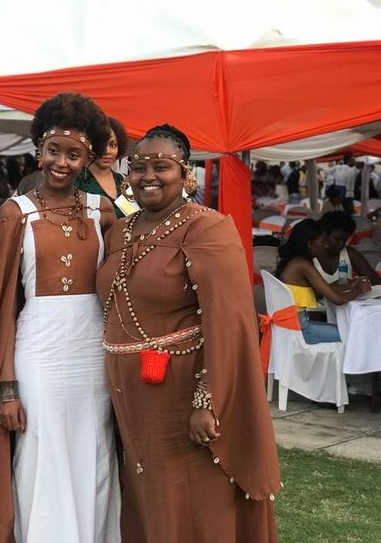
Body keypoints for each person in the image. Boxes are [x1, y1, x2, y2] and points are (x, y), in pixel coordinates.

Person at [96, 124, 281, 542]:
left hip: (182, 394)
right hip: (131, 395)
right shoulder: (120, 231)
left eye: (162, 167)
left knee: (195, 496)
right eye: (138, 166)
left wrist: (207, 400)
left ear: (186, 174)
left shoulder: (207, 229)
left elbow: (231, 323)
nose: (148, 176)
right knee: (148, 494)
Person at [0, 92, 120, 542]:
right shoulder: (14, 214)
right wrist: (6, 386)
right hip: (38, 349)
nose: (62, 162)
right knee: (40, 452)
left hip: (91, 348)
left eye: (74, 154)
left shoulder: (102, 211)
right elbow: (4, 304)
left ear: (88, 159)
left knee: (95, 451)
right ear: (38, 150)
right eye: (54, 151)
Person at [277, 218, 371, 344]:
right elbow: (338, 300)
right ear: (310, 244)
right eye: (323, 242)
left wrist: (349, 284)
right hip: (302, 330)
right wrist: (358, 290)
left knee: (350, 330)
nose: (326, 246)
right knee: (356, 334)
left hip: (292, 327)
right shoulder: (303, 265)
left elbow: (321, 292)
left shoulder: (294, 262)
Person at [76, 115, 129, 217]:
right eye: (101, 145)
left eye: (113, 145)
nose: (107, 151)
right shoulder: (78, 179)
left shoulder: (123, 181)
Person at [315, 211, 381, 286]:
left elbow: (375, 279)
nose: (342, 244)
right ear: (324, 235)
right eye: (337, 239)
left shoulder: (350, 254)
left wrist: (356, 282)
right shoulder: (312, 256)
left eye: (345, 240)